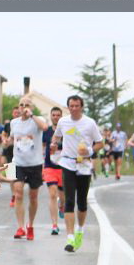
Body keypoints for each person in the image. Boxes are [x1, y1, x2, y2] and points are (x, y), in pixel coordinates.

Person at [49, 95, 104, 253]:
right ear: (68, 107)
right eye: (71, 106)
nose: (73, 108)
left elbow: (100, 143)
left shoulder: (89, 123)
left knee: (81, 202)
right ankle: (70, 237)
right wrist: (53, 145)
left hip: (84, 164)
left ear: (81, 107)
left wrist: (90, 151)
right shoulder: (63, 122)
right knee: (69, 200)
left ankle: (80, 229)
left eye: (76, 106)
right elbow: (56, 137)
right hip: (67, 162)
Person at [10, 97, 47, 241]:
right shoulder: (14, 122)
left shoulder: (36, 120)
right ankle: (20, 227)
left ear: (31, 107)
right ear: (18, 108)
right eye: (21, 105)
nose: (23, 107)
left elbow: (44, 127)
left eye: (27, 105)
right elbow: (13, 138)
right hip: (18, 163)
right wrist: (7, 141)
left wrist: (31, 114)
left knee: (33, 196)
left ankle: (30, 225)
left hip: (35, 163)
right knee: (18, 194)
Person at [42, 107, 64, 234]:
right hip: (49, 166)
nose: (56, 117)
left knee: (63, 197)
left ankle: (62, 206)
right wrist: (41, 166)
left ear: (61, 117)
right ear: (51, 116)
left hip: (63, 167)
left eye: (58, 115)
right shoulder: (47, 132)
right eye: (54, 115)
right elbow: (42, 148)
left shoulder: (67, 131)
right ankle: (54, 225)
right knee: (52, 194)